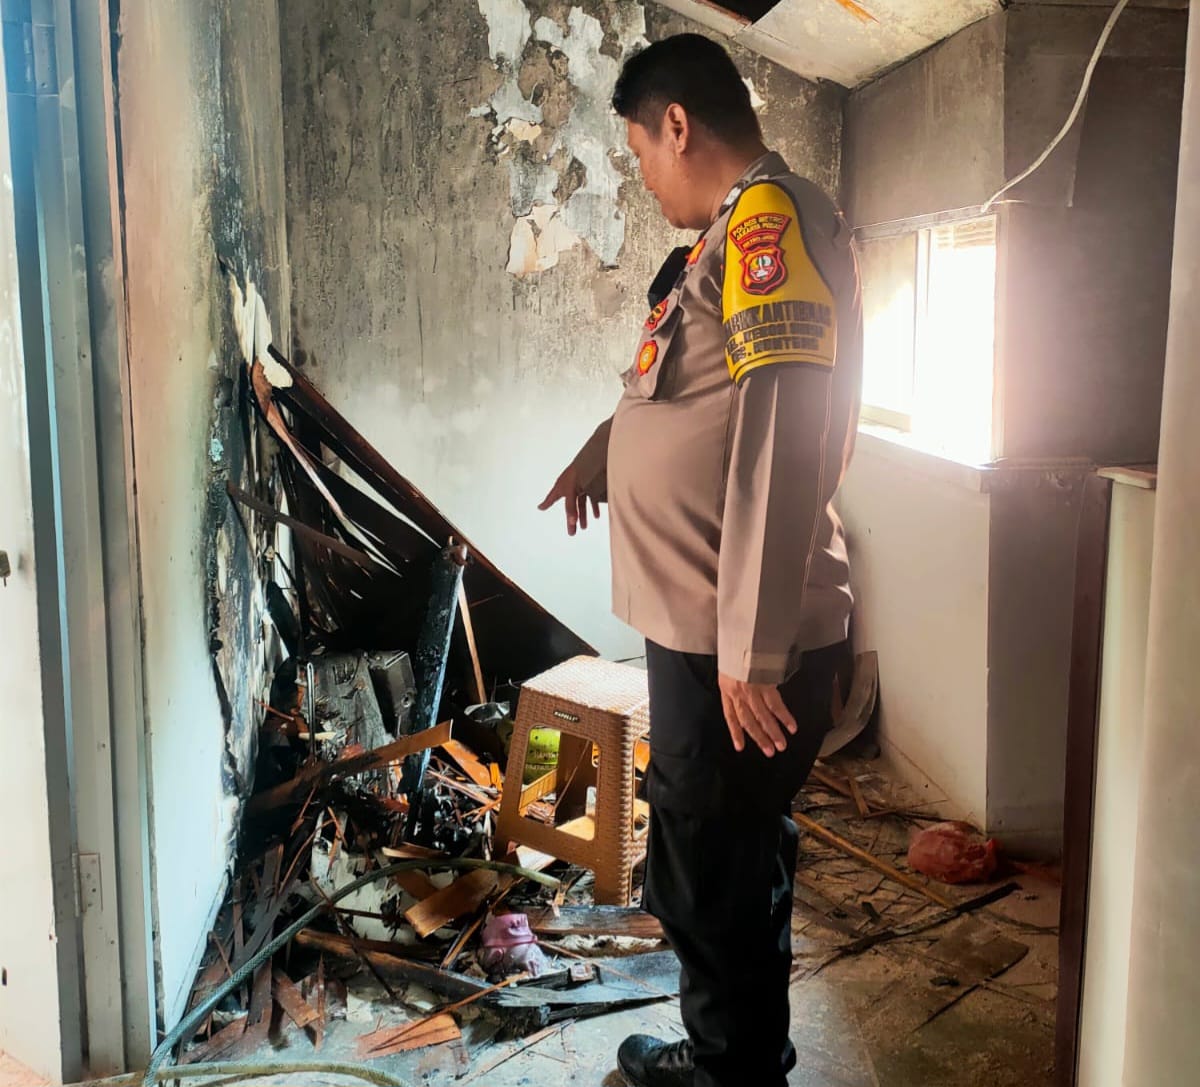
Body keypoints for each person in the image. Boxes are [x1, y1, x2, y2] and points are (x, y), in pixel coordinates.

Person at [539, 33, 863, 1087]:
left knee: (707, 868)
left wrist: (752, 648)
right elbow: (697, 391)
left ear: (676, 125)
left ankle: (730, 1071)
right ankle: (736, 1052)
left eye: (639, 152)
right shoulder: (726, 237)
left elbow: (782, 420)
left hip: (735, 635)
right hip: (705, 624)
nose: (643, 176)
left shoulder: (770, 219)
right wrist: (611, 443)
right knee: (725, 853)